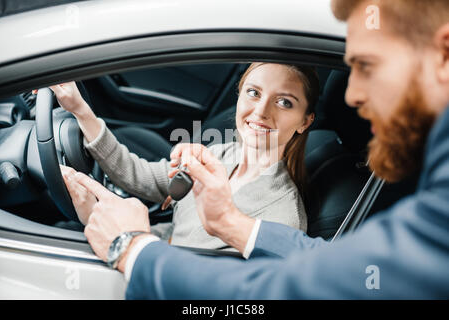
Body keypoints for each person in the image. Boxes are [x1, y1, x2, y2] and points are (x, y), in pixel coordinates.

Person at [72, 0, 449, 298]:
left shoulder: (285, 209)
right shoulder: (220, 154)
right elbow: (333, 268)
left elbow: (270, 292)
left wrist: (132, 246)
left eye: (367, 66)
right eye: (253, 93)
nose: (352, 95)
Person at [52, 62, 318, 251]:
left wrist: (114, 229)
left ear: (304, 122)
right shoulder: (218, 154)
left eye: (284, 102)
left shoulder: (282, 220)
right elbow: (139, 175)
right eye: (254, 92)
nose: (260, 111)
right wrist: (80, 110)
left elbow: (194, 281)